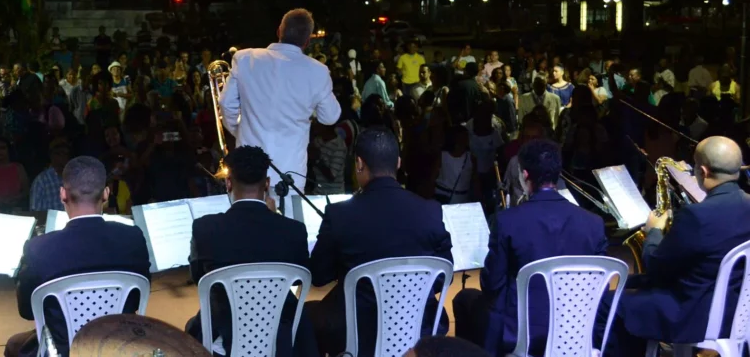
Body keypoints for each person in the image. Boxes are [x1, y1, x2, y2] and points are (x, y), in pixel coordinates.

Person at [453, 139, 607, 355]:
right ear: (557, 174)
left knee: (464, 299)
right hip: (576, 331)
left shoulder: (508, 221)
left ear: (525, 175)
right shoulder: (594, 224)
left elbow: (491, 284)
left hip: (521, 335)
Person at [306, 129, 453, 356]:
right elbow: (445, 275)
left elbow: (318, 275)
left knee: (307, 315)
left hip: (358, 333)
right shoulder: (430, 211)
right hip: (417, 326)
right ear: (398, 163)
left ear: (359, 164)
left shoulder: (339, 215)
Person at [610, 136, 750, 355]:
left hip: (693, 313)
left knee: (611, 306)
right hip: (737, 310)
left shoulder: (697, 215)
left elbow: (655, 268)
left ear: (702, 172)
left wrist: (654, 230)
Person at [6, 157, 151, 357]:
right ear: (106, 194)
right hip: (119, 346)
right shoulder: (133, 238)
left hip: (64, 350)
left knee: (15, 345)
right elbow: (136, 300)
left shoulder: (38, 248)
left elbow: (27, 311)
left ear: (63, 194)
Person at [185, 146, 315, 357]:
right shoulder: (293, 231)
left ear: (228, 183)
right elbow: (297, 281)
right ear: (267, 185)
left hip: (225, 334)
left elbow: (199, 278)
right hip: (279, 337)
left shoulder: (205, 228)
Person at [219, 9, 341, 205]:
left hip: (249, 170)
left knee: (248, 228)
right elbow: (330, 117)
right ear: (307, 41)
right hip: (290, 172)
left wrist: (240, 132)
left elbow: (226, 104)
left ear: (279, 32)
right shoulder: (318, 71)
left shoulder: (244, 58)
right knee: (288, 230)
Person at [29, 139, 71, 211]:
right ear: (51, 156)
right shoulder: (41, 181)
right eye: (58, 154)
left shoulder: (74, 179)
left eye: (65, 154)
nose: (61, 158)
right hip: (49, 221)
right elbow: (35, 212)